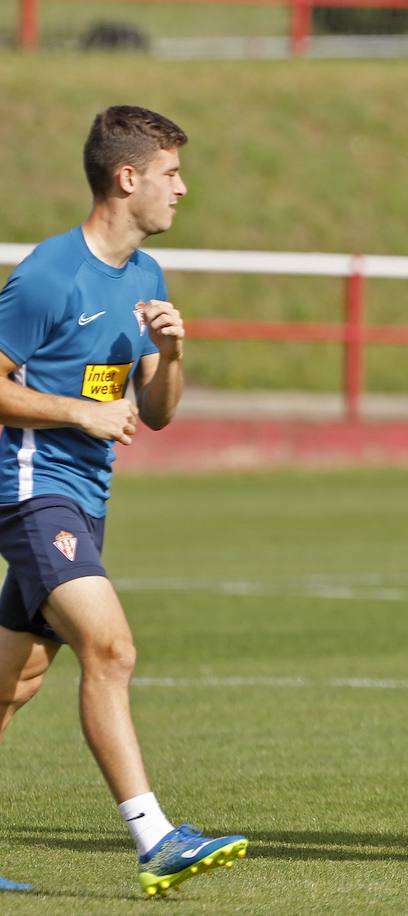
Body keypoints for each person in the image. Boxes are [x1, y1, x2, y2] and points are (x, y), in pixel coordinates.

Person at [0, 106, 248, 896]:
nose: (183, 188)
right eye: (171, 173)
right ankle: (155, 839)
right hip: (32, 491)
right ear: (127, 177)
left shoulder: (145, 276)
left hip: (87, 498)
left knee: (13, 683)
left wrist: (171, 353)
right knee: (111, 650)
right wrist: (78, 412)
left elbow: (159, 410)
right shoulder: (49, 275)